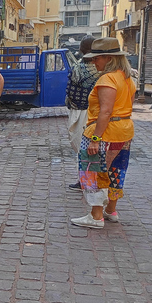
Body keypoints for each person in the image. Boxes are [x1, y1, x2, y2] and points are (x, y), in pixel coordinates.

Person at [71, 38, 136, 229]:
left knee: (92, 172)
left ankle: (96, 215)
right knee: (116, 171)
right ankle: (111, 211)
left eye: (96, 58)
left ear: (108, 58)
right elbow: (128, 105)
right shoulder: (126, 78)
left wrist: (95, 139)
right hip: (124, 130)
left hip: (105, 132)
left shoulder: (107, 79)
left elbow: (105, 111)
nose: (93, 62)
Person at [65, 36, 99, 190]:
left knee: (82, 147)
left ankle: (85, 180)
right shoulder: (102, 70)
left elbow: (70, 92)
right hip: (97, 112)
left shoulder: (78, 68)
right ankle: (90, 179)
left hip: (81, 112)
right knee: (90, 148)